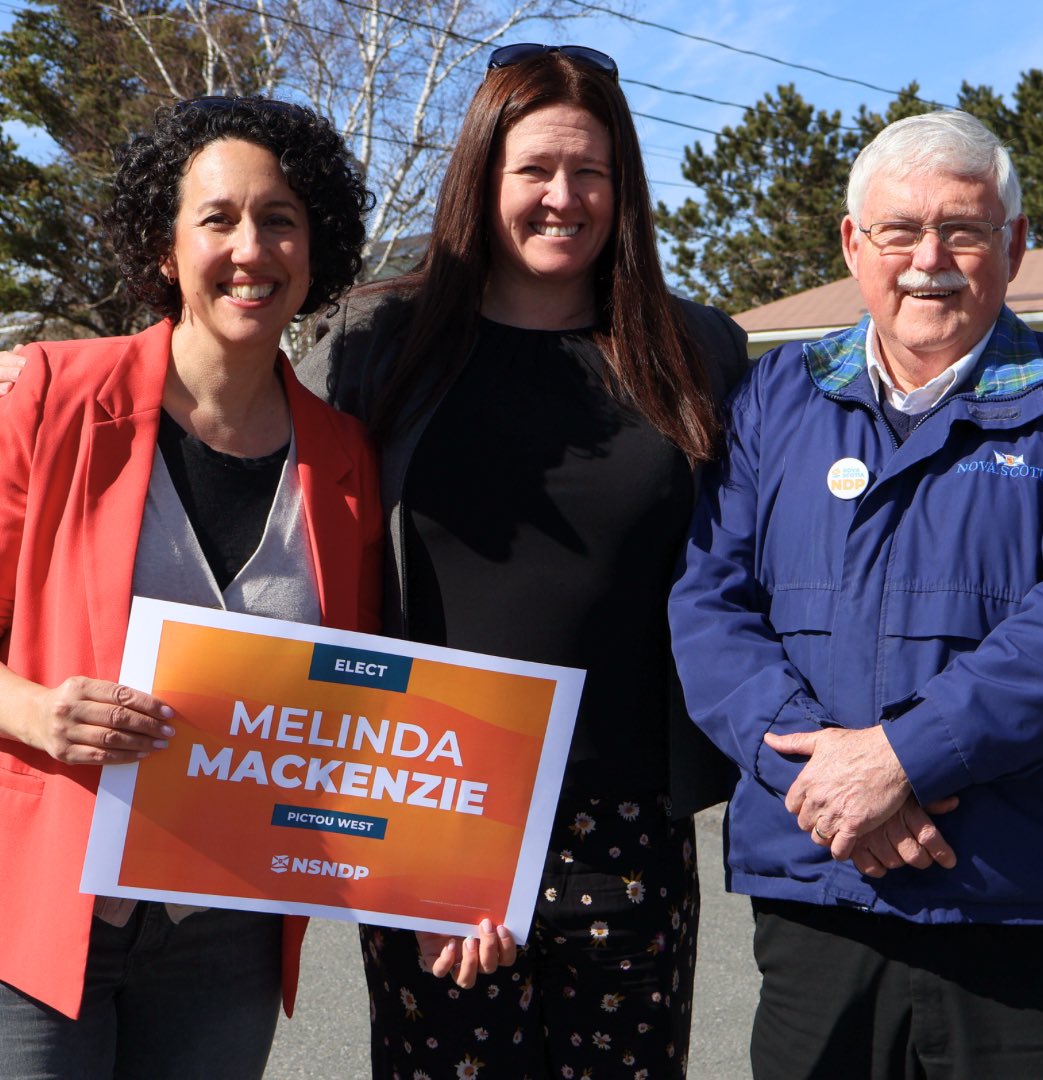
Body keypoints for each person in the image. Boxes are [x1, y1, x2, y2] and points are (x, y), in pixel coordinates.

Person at [297, 43, 748, 1079]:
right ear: (482, 177)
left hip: (629, 816)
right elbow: (292, 533)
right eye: (534, 169)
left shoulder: (698, 350)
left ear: (623, 187)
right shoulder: (380, 339)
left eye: (589, 171)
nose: (563, 196)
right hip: (432, 811)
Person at [669, 109, 1043, 1079]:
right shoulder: (776, 400)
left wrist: (904, 756)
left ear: (1015, 245)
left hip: (1016, 905)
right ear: (855, 244)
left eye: (964, 230)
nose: (928, 258)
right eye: (899, 230)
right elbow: (709, 606)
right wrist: (825, 785)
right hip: (821, 892)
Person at [0, 95, 385, 1079]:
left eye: (280, 219)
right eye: (218, 218)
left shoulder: (344, 459)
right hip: (43, 912)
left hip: (230, 933)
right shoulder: (47, 398)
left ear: (316, 246)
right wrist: (38, 713)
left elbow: (352, 698)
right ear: (167, 249)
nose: (250, 247)